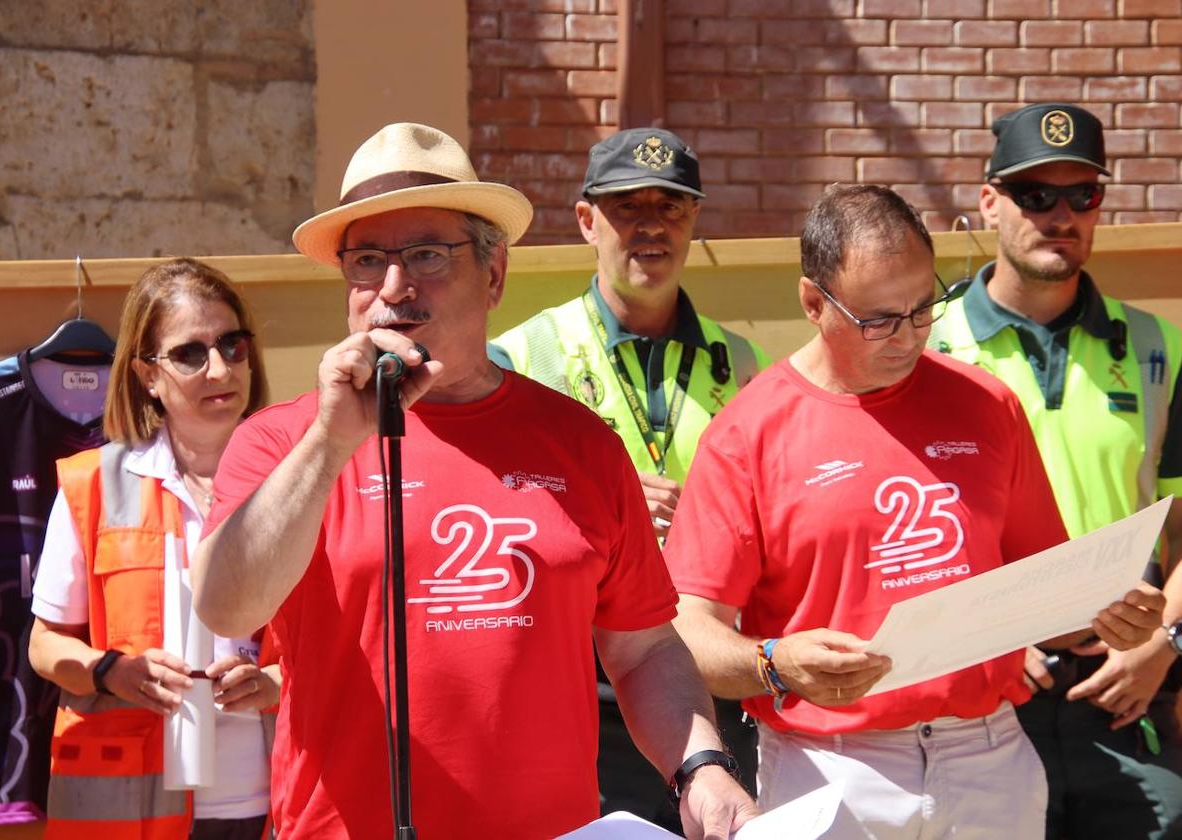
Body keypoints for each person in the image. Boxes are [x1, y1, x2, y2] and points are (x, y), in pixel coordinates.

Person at [190, 122, 757, 840]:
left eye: (428, 254)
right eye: (367, 260)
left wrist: (701, 768)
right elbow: (226, 606)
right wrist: (332, 445)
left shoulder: (580, 444)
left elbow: (644, 648)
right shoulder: (281, 443)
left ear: (493, 276)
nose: (394, 287)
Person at [665, 184, 1167, 839]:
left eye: (925, 305)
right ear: (813, 302)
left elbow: (1050, 596)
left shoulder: (988, 405)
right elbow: (685, 631)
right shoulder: (748, 431)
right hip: (829, 767)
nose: (907, 336)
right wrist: (774, 663)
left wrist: (1107, 613)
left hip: (989, 756)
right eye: (878, 318)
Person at [489, 127, 769, 826]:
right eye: (627, 207)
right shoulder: (521, 353)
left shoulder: (747, 363)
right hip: (576, 681)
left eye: (671, 207)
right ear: (587, 221)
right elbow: (482, 510)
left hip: (706, 683)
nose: (651, 227)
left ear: (695, 218)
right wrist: (599, 512)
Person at [930, 102, 1182, 839]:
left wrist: (1163, 647)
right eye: (1036, 195)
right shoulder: (926, 345)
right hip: (977, 700)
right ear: (989, 202)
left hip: (1121, 692)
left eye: (1083, 195)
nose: (1060, 214)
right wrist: (991, 639)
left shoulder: (1158, 347)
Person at [26, 258, 278, 840]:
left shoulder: (297, 479)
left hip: (275, 799)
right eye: (191, 352)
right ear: (147, 374)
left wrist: (274, 683)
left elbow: (350, 645)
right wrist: (112, 671)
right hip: (131, 809)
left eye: (232, 344)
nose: (220, 367)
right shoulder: (95, 483)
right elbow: (44, 644)